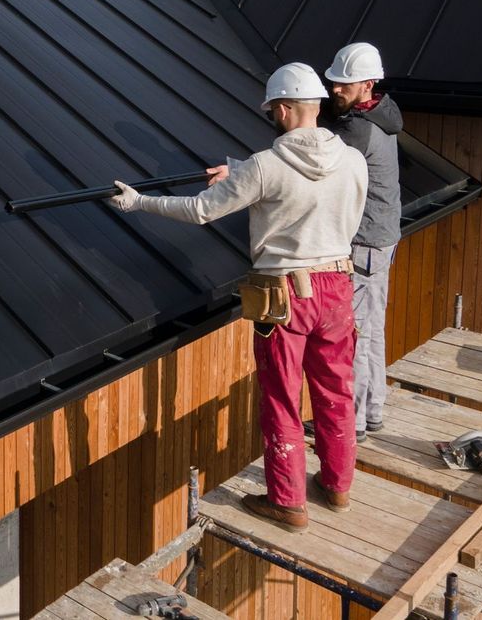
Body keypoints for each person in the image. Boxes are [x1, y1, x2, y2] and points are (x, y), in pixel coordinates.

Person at [109, 63, 367, 530]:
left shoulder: (268, 167)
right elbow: (309, 188)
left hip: (287, 294)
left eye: (273, 110)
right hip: (339, 288)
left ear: (285, 109)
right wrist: (243, 171)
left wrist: (138, 202)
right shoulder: (353, 159)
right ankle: (338, 485)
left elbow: (202, 210)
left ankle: (288, 502)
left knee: (283, 398)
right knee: (336, 391)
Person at [324, 42, 402, 444]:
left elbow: (317, 163)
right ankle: (371, 412)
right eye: (333, 81)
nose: (334, 89)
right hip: (380, 239)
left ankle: (351, 424)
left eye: (344, 83)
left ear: (368, 84)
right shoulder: (383, 114)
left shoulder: (356, 130)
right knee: (372, 328)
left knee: (355, 333)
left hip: (366, 243)